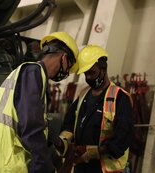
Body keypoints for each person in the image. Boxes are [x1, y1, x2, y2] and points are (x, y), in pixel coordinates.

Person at [0, 31, 79, 173]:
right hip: (5, 164)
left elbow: (36, 121)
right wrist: (43, 166)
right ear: (64, 58)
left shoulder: (28, 72)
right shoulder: (34, 73)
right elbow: (31, 125)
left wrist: (58, 142)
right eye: (68, 67)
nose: (65, 73)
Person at [55, 45, 134, 173]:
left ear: (103, 68)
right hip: (81, 166)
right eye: (86, 74)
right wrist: (63, 141)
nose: (89, 78)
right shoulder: (83, 95)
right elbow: (69, 123)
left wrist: (96, 151)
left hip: (105, 169)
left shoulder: (119, 98)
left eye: (92, 73)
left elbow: (123, 136)